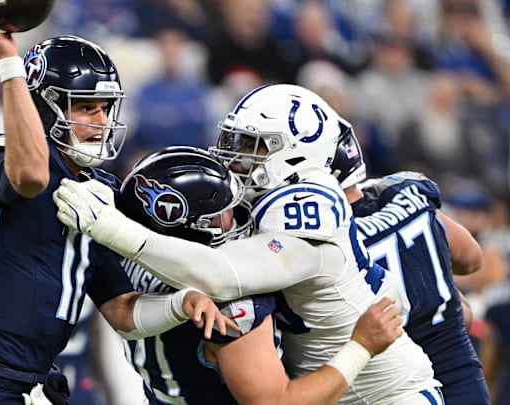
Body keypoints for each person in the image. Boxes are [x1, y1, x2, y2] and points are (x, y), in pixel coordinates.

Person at [0, 2, 235, 404]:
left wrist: (179, 304)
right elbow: (30, 175)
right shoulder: (1, 156)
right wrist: (8, 61)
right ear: (44, 105)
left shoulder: (100, 189)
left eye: (104, 108)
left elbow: (120, 310)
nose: (100, 121)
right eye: (84, 106)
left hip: (31, 381)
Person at [53, 84, 445, 404]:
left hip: (387, 393)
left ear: (294, 155)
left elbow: (210, 278)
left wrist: (109, 227)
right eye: (237, 140)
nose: (234, 158)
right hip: (331, 381)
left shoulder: (300, 209)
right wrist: (361, 344)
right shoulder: (228, 286)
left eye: (252, 144)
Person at [114, 145, 403, 404]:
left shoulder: (128, 264)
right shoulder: (231, 304)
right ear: (191, 227)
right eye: (222, 213)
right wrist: (361, 347)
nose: (236, 216)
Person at [330, 127, 491, 404]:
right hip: (457, 374)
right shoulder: (407, 196)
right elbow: (472, 259)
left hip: (383, 388)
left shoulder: (319, 238)